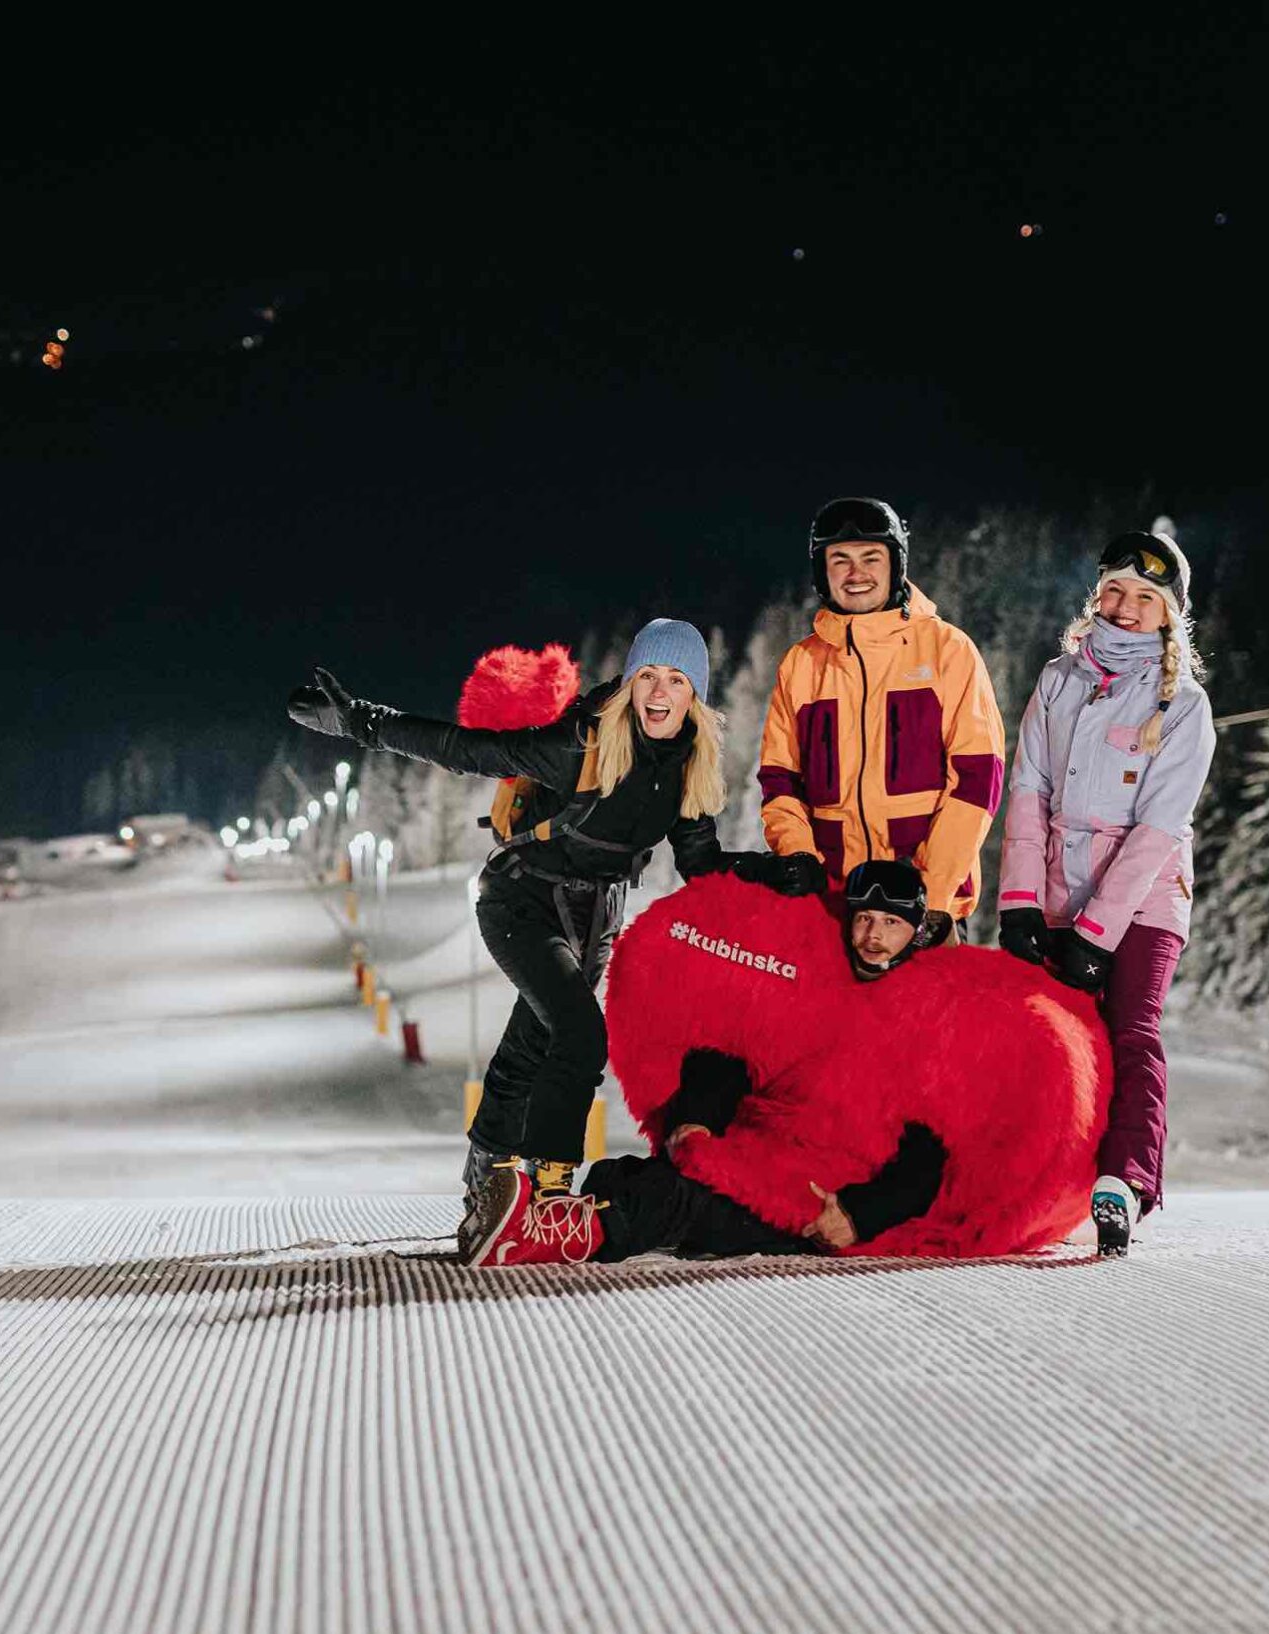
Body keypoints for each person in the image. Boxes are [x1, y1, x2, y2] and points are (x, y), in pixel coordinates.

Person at [286, 619, 820, 1254]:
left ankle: (486, 1189)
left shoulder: (691, 769)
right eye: (647, 676)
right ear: (629, 685)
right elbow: (466, 748)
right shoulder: (582, 747)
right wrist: (361, 722)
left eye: (676, 681)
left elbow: (700, 863)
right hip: (523, 900)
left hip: (595, 917)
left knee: (528, 1047)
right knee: (578, 1033)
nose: (658, 692)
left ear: (695, 696)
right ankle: (548, 1194)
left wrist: (775, 870)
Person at [996, 531, 1218, 1255]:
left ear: (1168, 614)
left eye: (1145, 598)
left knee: (1131, 1030)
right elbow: (1027, 788)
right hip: (1060, 885)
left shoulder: (1183, 705)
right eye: (1114, 591)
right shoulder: (1060, 679)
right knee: (1044, 1040)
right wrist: (1022, 901)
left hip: (1146, 898)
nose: (1124, 609)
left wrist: (1096, 935)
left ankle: (1123, 1182)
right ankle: (1033, 1179)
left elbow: (1158, 828)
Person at [466, 1026, 950, 1269]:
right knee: (628, 1177)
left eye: (890, 923)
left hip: (823, 1205)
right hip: (770, 1154)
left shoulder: (920, 1033)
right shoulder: (822, 998)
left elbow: (931, 1155)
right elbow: (738, 1049)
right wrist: (696, 1118)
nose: (873, 935)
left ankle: (533, 1241)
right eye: (865, 919)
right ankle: (567, 1220)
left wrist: (860, 1214)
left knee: (676, 1203)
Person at [757, 497, 1008, 940]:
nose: (856, 574)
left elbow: (977, 779)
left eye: (871, 558)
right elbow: (781, 782)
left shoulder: (947, 651)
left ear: (896, 564)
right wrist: (800, 861)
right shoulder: (801, 665)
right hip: (834, 911)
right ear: (823, 572)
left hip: (927, 911)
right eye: (841, 560)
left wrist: (926, 898)